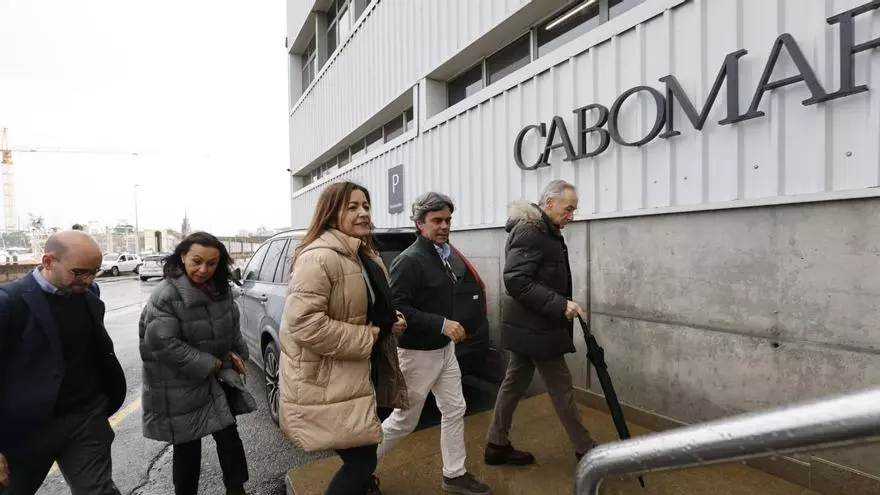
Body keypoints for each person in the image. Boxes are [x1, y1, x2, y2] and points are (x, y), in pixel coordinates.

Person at [279, 181, 408, 495]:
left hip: (363, 372)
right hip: (330, 379)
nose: (363, 213)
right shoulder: (318, 258)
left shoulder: (364, 255)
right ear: (330, 212)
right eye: (352, 207)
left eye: (365, 206)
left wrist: (390, 320)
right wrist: (367, 336)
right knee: (361, 462)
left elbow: (366, 305)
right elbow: (305, 324)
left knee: (365, 447)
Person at [377, 192, 491, 495]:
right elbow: (398, 308)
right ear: (420, 223)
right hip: (417, 354)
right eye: (436, 220)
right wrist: (442, 324)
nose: (444, 226)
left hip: (444, 351)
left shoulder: (442, 254)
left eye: (448, 220)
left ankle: (454, 474)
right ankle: (361, 471)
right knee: (404, 421)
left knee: (454, 408)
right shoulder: (409, 261)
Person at [0, 230, 126, 495]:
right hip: (26, 429)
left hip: (86, 418)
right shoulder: (9, 302)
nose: (88, 280)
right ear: (48, 261)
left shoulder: (89, 296)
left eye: (94, 272)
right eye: (79, 272)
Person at [484, 180, 596, 465]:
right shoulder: (531, 231)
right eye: (568, 209)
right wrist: (560, 304)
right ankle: (587, 451)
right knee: (562, 388)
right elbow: (516, 280)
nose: (571, 215)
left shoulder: (546, 231)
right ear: (549, 203)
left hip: (531, 326)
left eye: (574, 210)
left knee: (513, 383)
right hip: (537, 329)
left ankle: (496, 444)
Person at [139, 232, 256, 495]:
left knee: (229, 437)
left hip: (216, 377)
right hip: (180, 383)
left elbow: (232, 328)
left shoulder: (221, 289)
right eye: (197, 261)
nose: (204, 269)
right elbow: (163, 343)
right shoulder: (166, 294)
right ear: (183, 257)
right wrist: (213, 363)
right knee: (187, 447)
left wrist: (237, 353)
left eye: (212, 263)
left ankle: (237, 489)